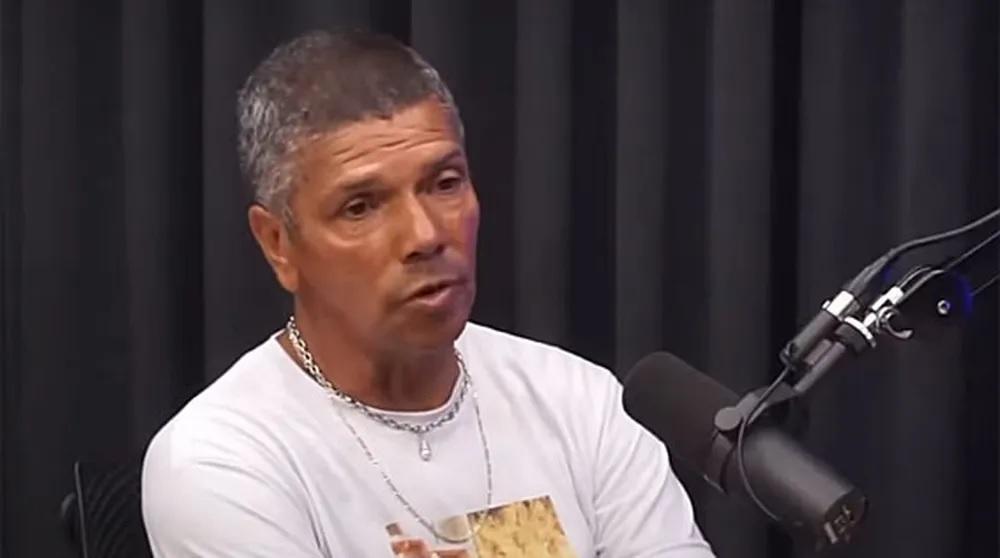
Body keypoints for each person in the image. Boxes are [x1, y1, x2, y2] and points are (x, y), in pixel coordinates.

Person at [141, 28, 715, 558]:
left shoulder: (580, 403)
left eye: (444, 183)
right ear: (278, 244)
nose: (425, 235)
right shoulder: (222, 459)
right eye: (361, 207)